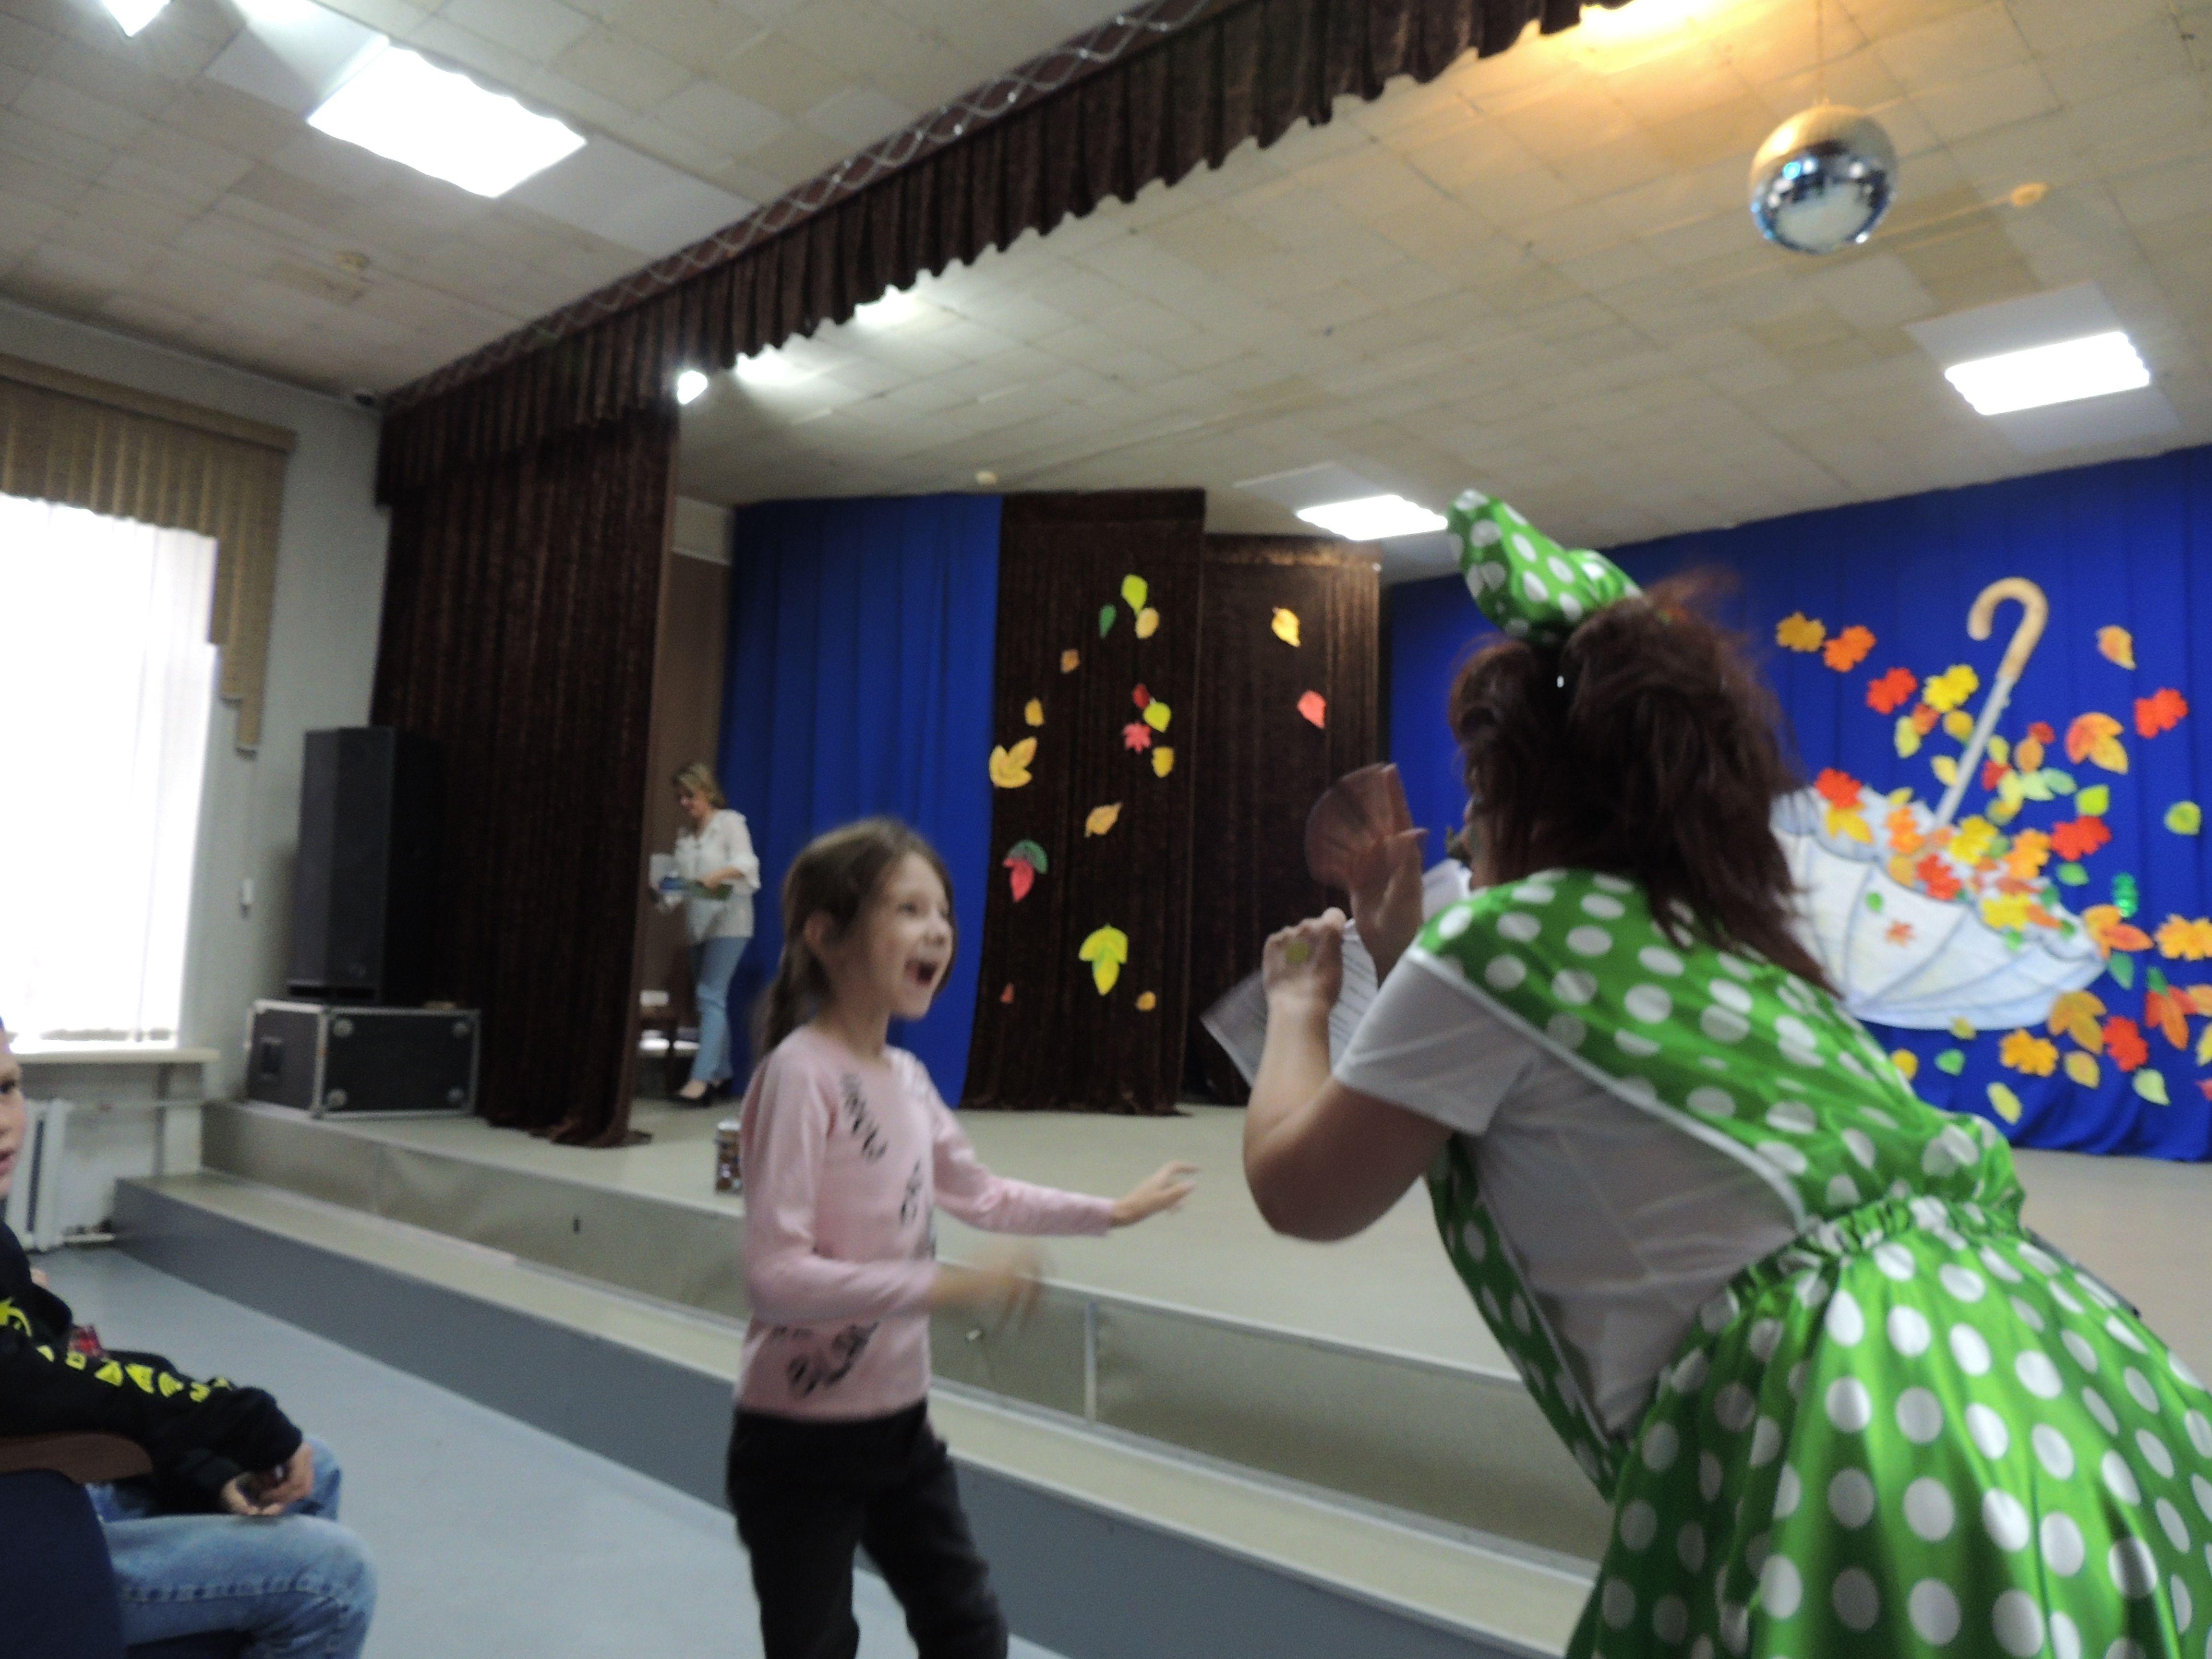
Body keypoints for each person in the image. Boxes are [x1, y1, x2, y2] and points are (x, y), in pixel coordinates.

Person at [1242, 491, 2212, 1659]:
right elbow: (1520, 1074)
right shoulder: (1732, 938)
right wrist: (1403, 952)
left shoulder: (1499, 943)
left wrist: (1299, 1005)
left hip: (1867, 1419)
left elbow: (1300, 1187)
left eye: (1477, 805)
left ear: (1521, 799)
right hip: (2051, 1368)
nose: (1468, 839)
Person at [730, 818, 1198, 1659]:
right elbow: (776, 1276)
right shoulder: (801, 1075)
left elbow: (981, 1194)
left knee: (970, 1632)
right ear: (827, 936)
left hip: (899, 1430)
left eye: (942, 911)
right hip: (797, 1443)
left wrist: (1112, 1212)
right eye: (908, 909)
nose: (938, 931)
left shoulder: (908, 1080)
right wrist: (945, 1286)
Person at [0, 1026, 376, 1655]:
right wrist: (231, 1419)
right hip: (25, 1530)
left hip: (43, 1481)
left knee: (315, 1466)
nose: (3, 1122)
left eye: (7, 1088)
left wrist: (202, 1467)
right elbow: (30, 1385)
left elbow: (70, 1375)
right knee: (334, 1577)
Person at [661, 761, 761, 1103]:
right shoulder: (687, 837)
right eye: (680, 798)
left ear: (707, 791)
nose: (685, 803)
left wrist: (719, 875)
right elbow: (681, 884)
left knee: (709, 995)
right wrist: (662, 892)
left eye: (690, 795)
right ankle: (721, 1073)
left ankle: (700, 1080)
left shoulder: (730, 823)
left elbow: (747, 863)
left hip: (729, 922)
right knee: (711, 1000)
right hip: (700, 925)